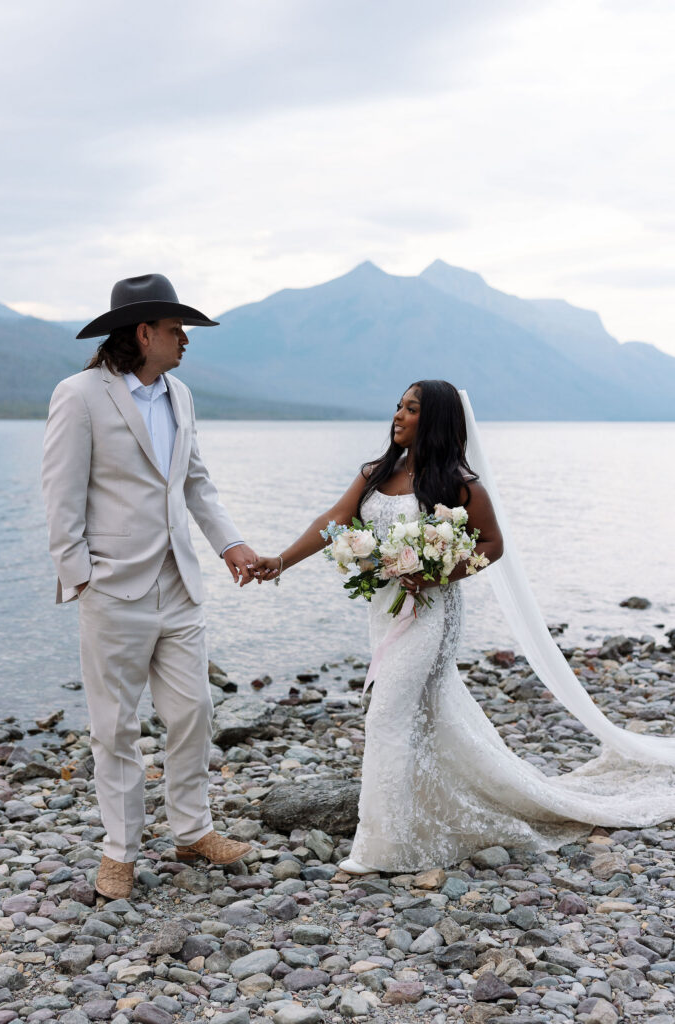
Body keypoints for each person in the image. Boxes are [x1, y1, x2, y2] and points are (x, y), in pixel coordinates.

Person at [252, 379, 675, 874]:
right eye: (398, 406)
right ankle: (444, 806)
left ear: (433, 421)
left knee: (386, 713)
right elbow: (334, 521)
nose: (398, 415)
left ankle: (381, 847)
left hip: (433, 614)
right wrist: (280, 561)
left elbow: (491, 546)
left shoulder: (460, 486)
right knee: (429, 716)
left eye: (411, 409)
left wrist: (436, 573)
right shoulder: (374, 472)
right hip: (386, 607)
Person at [42, 273, 255, 900]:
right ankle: (120, 852)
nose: (185, 339)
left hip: (179, 582)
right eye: (175, 328)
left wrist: (229, 544)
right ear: (143, 333)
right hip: (113, 588)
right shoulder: (79, 396)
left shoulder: (181, 395)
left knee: (194, 710)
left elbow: (194, 483)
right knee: (115, 728)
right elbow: (60, 496)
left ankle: (193, 831)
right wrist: (80, 576)